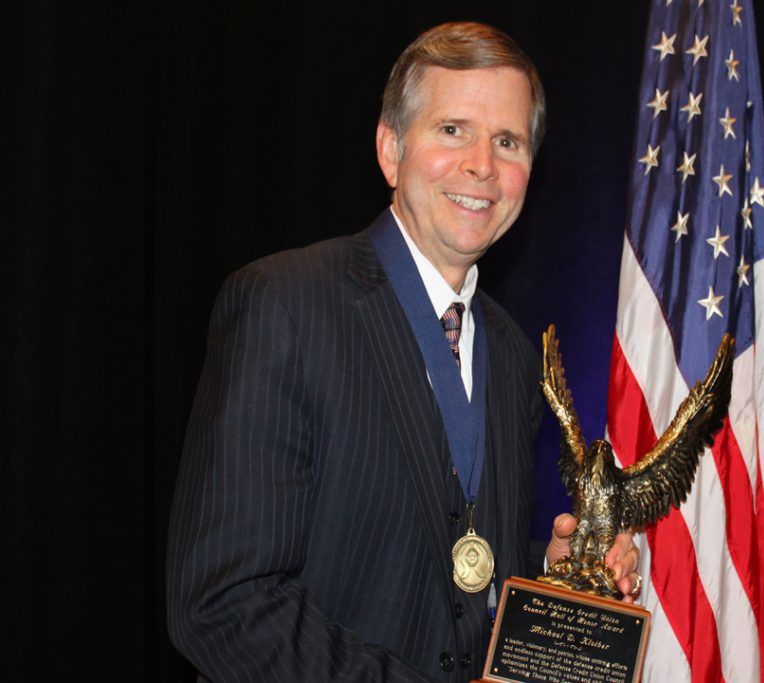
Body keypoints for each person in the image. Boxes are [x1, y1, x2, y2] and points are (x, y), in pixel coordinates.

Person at [166, 22, 639, 682]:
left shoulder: (513, 355)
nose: (482, 163)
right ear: (390, 150)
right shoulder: (285, 304)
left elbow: (452, 567)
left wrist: (547, 576)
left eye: (508, 140)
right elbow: (221, 604)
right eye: (453, 130)